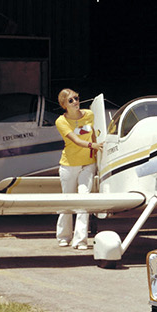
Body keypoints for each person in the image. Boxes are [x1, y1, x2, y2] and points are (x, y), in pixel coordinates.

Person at [54, 89, 99, 249]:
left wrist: (97, 154)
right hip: (69, 165)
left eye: (76, 98)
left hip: (88, 163)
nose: (75, 102)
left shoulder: (89, 115)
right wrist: (91, 145)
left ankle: (80, 240)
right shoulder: (61, 121)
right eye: (71, 100)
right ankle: (63, 236)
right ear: (64, 104)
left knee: (84, 200)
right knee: (67, 200)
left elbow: (93, 134)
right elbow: (75, 140)